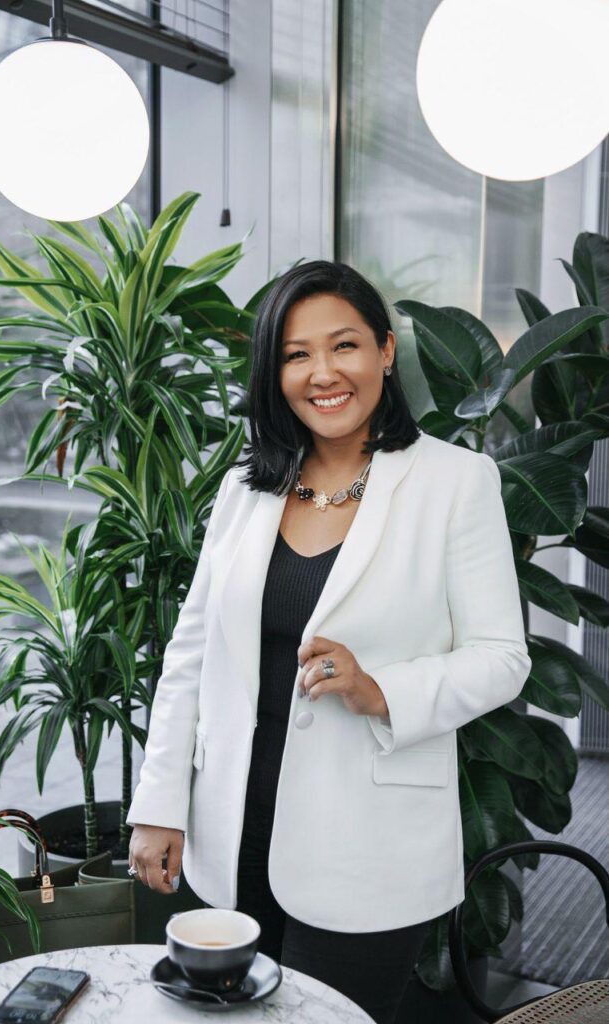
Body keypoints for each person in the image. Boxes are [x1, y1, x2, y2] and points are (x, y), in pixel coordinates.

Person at [127, 260, 531, 1023]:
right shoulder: (246, 487)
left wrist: (381, 690)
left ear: (385, 350)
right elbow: (191, 654)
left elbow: (503, 657)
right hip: (236, 829)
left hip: (368, 846)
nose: (323, 373)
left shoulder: (456, 482)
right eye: (296, 354)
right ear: (274, 373)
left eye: (344, 345)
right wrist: (159, 803)